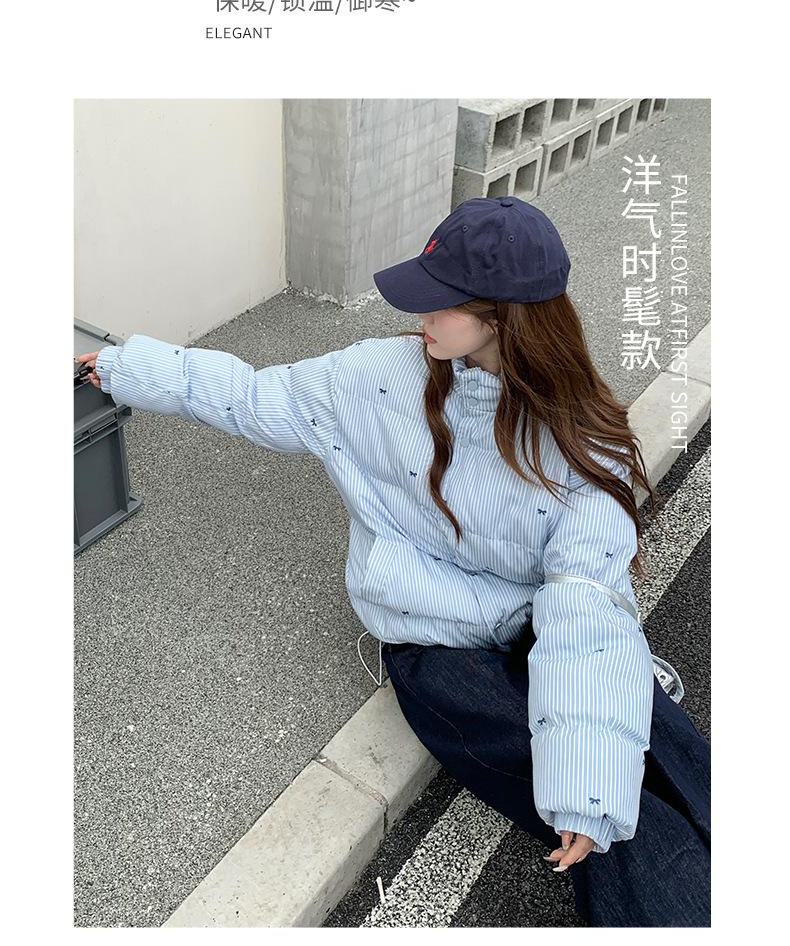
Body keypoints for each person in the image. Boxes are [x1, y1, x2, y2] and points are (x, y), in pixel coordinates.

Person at [75, 196, 710, 927]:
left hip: (540, 614)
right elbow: (251, 395)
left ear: (502, 317)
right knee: (593, 803)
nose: (420, 315)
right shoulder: (375, 378)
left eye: (442, 302)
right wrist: (122, 366)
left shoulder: (579, 435)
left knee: (639, 726)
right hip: (431, 634)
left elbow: (584, 601)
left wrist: (591, 773)